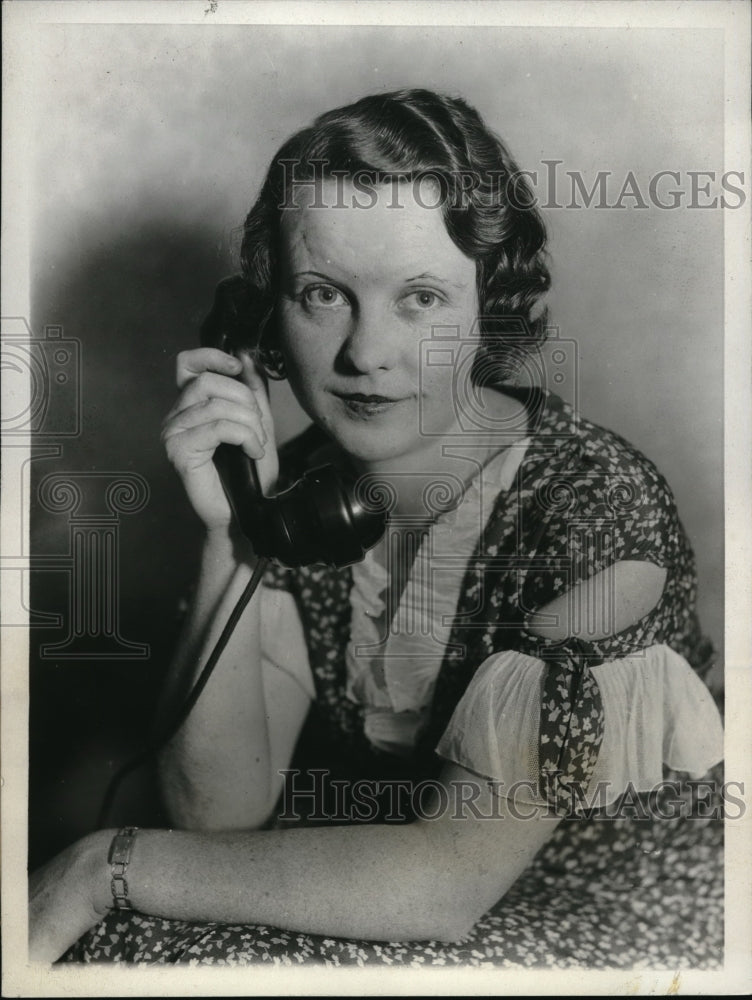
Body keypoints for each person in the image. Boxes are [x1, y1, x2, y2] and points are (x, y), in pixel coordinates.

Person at [30, 88, 724, 968]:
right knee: (152, 938)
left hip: (636, 929)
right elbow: (219, 812)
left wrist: (104, 864)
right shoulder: (314, 491)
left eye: (422, 298)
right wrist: (234, 535)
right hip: (403, 893)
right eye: (323, 294)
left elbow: (440, 882)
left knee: (149, 933)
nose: (366, 355)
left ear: (490, 308)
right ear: (265, 317)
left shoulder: (595, 511)